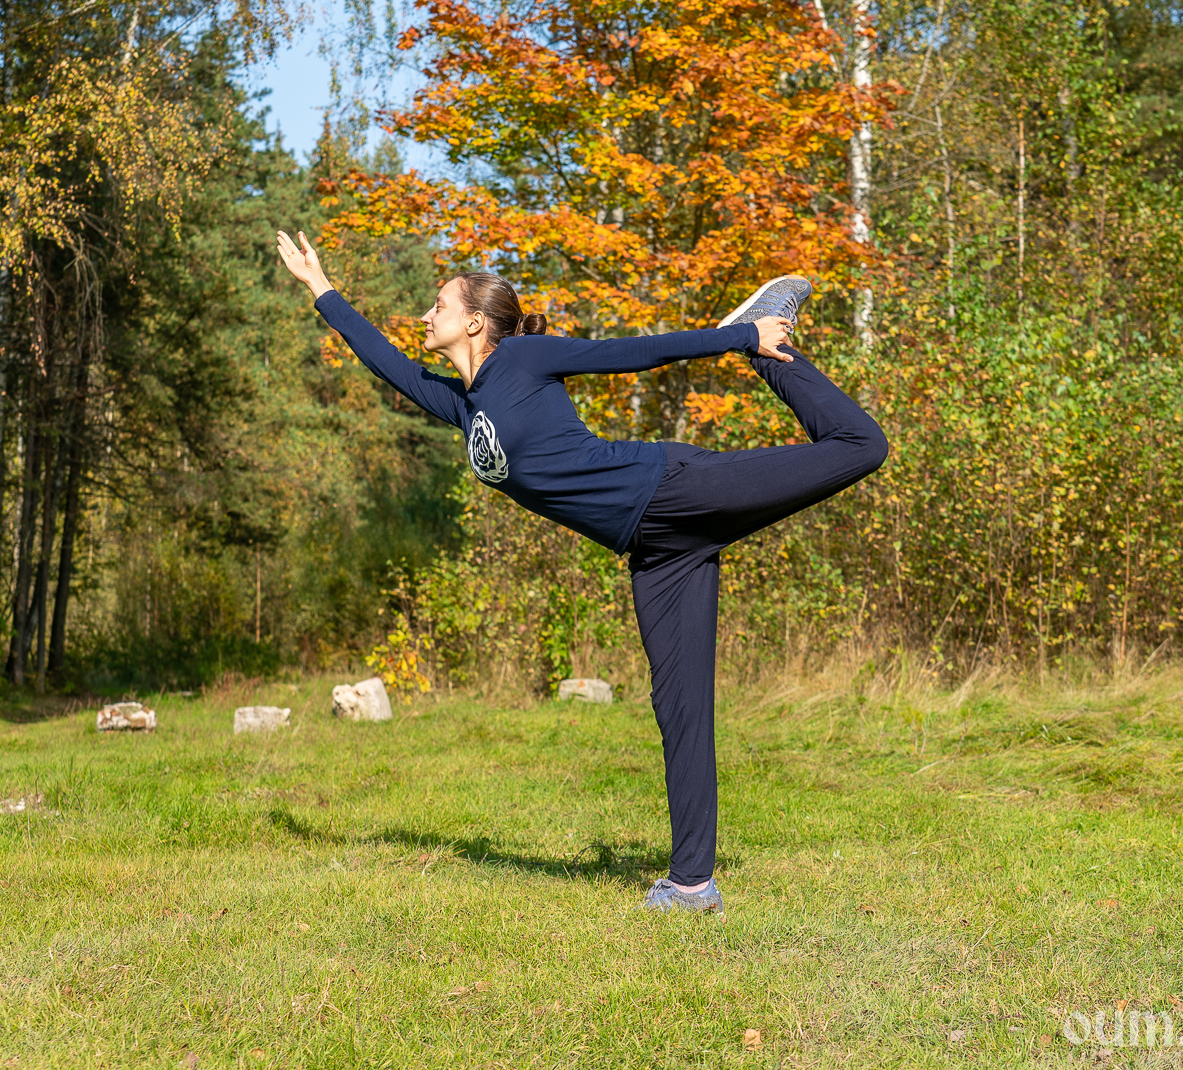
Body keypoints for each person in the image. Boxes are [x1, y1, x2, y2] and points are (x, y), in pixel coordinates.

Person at [276, 230, 889, 914]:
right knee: (680, 709)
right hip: (654, 550)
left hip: (671, 489)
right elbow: (387, 363)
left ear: (474, 322)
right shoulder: (464, 405)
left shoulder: (523, 359)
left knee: (861, 445)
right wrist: (320, 287)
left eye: (438, 304)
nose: (426, 314)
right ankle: (692, 885)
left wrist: (740, 339)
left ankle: (771, 343)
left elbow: (631, 354)